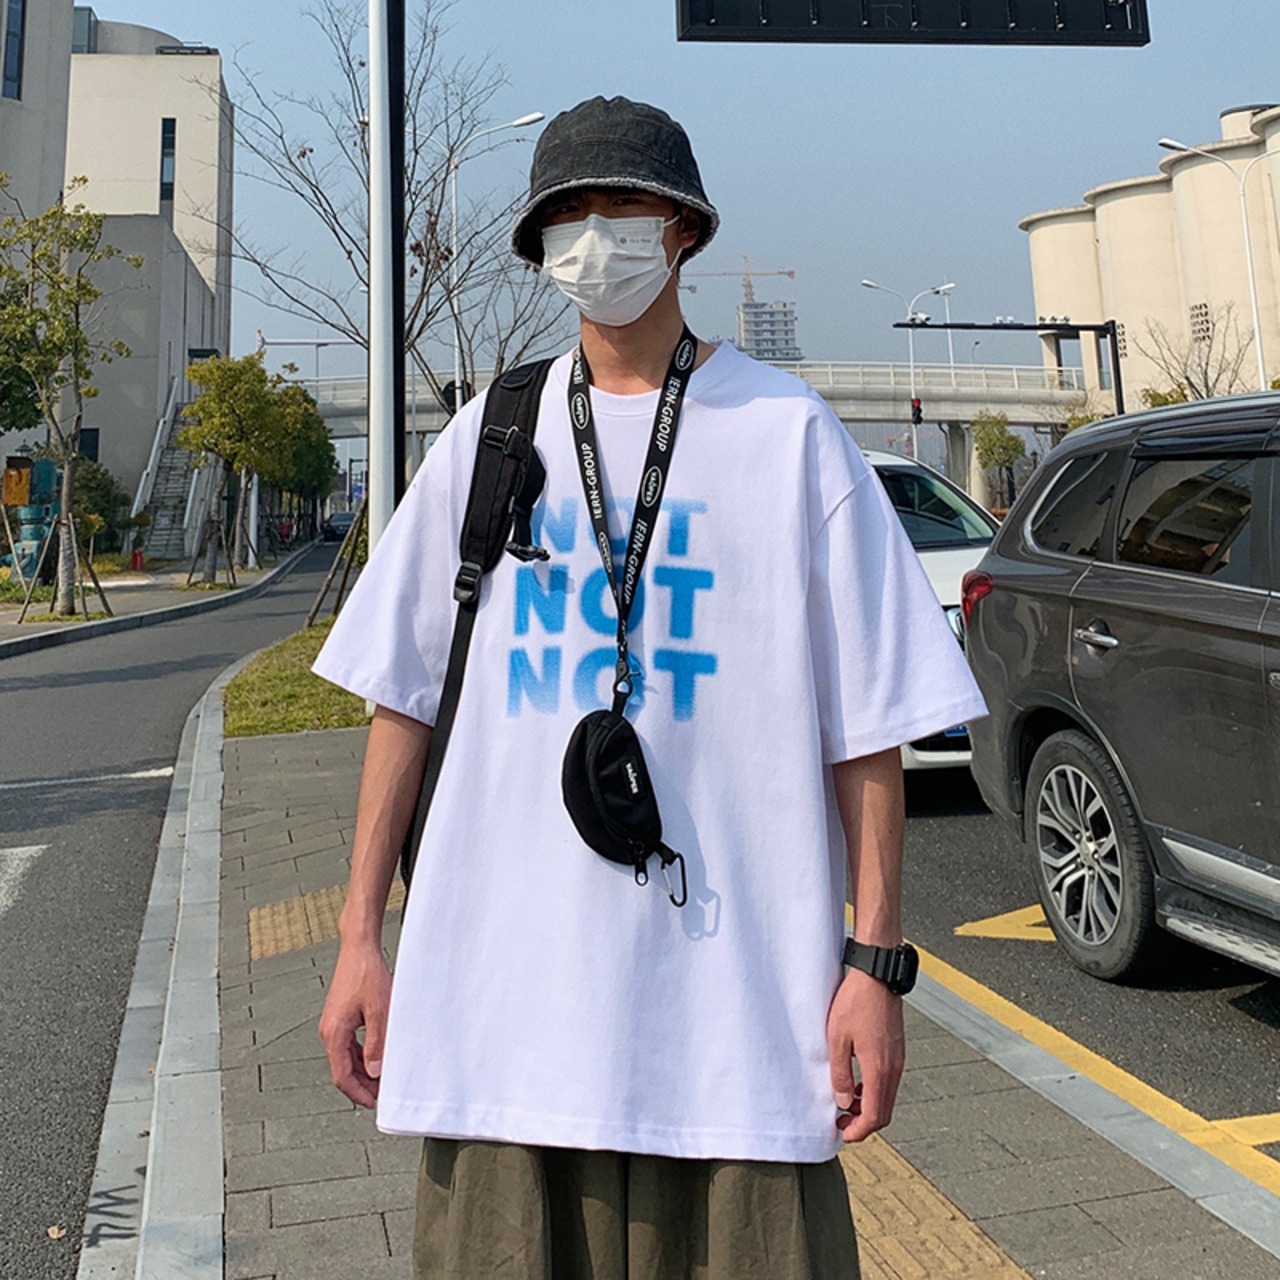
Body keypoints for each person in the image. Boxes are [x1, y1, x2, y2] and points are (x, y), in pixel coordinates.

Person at [314, 95, 986, 1280]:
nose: (594, 234)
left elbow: (867, 733)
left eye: (621, 204)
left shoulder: (787, 437)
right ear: (538, 245)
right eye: (566, 212)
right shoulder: (490, 437)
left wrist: (874, 967)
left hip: (735, 1040)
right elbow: (402, 700)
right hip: (506, 1036)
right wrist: (359, 935)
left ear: (680, 228)